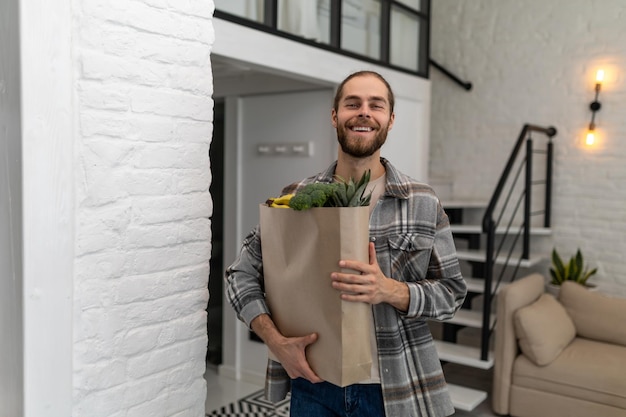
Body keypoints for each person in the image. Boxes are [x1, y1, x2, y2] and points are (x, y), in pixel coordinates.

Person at [225, 70, 467, 416]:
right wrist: (275, 341)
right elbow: (239, 274)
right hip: (313, 382)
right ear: (335, 116)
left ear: (390, 119)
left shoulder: (422, 202)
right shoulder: (295, 197)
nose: (364, 112)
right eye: (352, 103)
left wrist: (390, 290)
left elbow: (452, 294)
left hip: (393, 389)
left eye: (376, 105)